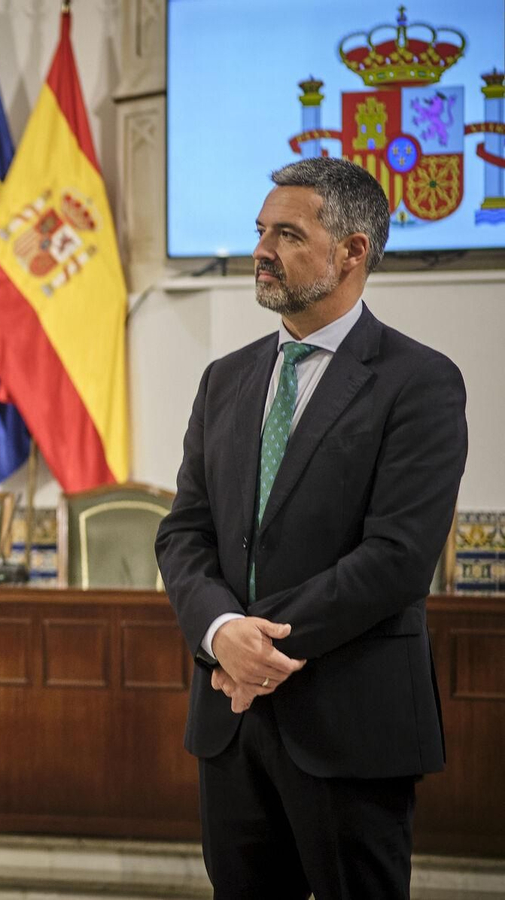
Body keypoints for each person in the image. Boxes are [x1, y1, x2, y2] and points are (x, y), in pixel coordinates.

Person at [156, 158, 468, 899]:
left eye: (287, 234)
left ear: (353, 251)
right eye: (261, 231)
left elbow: (396, 558)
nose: (260, 251)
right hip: (230, 724)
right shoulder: (224, 379)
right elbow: (184, 533)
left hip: (350, 725)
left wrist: (253, 644)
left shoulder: (418, 382)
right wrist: (219, 632)